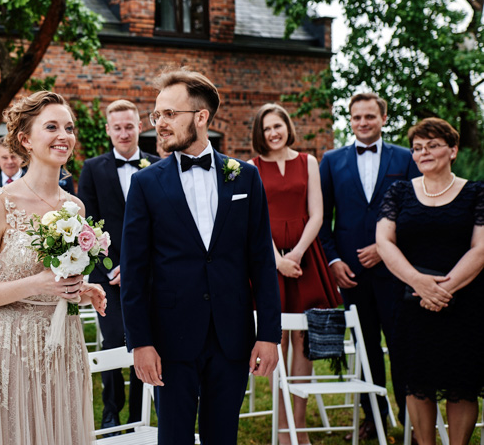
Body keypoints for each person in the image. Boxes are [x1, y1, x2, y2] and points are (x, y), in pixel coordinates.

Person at [120, 68, 281, 445]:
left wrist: (269, 334)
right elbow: (134, 269)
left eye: (170, 114)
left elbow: (261, 260)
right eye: (156, 115)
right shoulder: (145, 184)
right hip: (170, 339)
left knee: (222, 435)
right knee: (174, 437)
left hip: (233, 335)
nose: (159, 123)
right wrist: (140, 342)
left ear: (201, 117)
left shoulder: (245, 177)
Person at [0, 91, 108, 443]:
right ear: (25, 140)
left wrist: (80, 292)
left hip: (63, 346)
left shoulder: (75, 207)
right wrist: (37, 285)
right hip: (9, 348)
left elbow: (58, 283)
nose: (65, 135)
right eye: (52, 127)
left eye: (69, 128)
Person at [376, 118, 484, 445]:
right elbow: (384, 242)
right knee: (416, 383)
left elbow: (481, 248)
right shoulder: (400, 191)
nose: (424, 152)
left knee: (461, 385)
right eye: (418, 147)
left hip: (464, 302)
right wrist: (419, 283)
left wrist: (442, 289)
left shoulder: (476, 192)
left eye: (433, 145)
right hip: (411, 305)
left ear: (452, 150)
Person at [319, 92, 420, 438]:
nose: (363, 122)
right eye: (357, 117)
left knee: (403, 344)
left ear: (383, 119)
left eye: (370, 117)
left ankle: (411, 420)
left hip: (395, 272)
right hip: (350, 274)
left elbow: (415, 212)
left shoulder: (405, 158)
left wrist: (385, 247)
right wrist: (332, 260)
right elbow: (322, 216)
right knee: (365, 349)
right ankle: (372, 419)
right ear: (350, 120)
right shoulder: (331, 161)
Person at [248, 103, 340, 443]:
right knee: (276, 339)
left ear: (288, 126)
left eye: (279, 125)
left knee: (304, 341)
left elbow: (317, 214)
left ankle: (299, 427)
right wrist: (276, 260)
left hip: (307, 258)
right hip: (267, 258)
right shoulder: (252, 167)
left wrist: (297, 253)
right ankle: (283, 428)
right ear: (260, 133)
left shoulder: (308, 162)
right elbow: (253, 221)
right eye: (267, 127)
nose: (274, 132)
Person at [77, 99, 159, 430]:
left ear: (140, 126)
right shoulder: (92, 169)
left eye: (129, 126)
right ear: (108, 130)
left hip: (149, 275)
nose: (124, 133)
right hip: (107, 276)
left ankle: (139, 415)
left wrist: (139, 265)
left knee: (145, 341)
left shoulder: (156, 165)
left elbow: (162, 224)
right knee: (112, 342)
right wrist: (112, 267)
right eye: (117, 127)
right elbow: (88, 225)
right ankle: (112, 412)